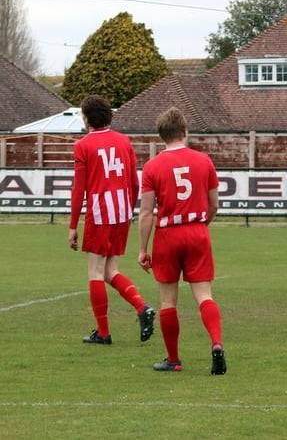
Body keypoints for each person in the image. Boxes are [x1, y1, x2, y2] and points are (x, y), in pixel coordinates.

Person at [138, 107, 226, 375]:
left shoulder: (152, 167)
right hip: (197, 231)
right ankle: (217, 344)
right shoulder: (204, 160)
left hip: (167, 234)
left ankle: (173, 359)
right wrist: (201, 225)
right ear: (185, 132)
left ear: (161, 136)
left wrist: (142, 248)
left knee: (168, 301)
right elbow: (214, 205)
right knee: (204, 295)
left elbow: (145, 213)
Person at [68, 95, 155, 345]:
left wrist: (73, 226)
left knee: (95, 272)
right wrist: (128, 210)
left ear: (86, 118)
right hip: (121, 212)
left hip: (99, 212)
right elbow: (134, 182)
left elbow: (79, 189)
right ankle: (141, 308)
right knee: (110, 270)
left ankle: (104, 332)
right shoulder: (123, 141)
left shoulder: (83, 146)